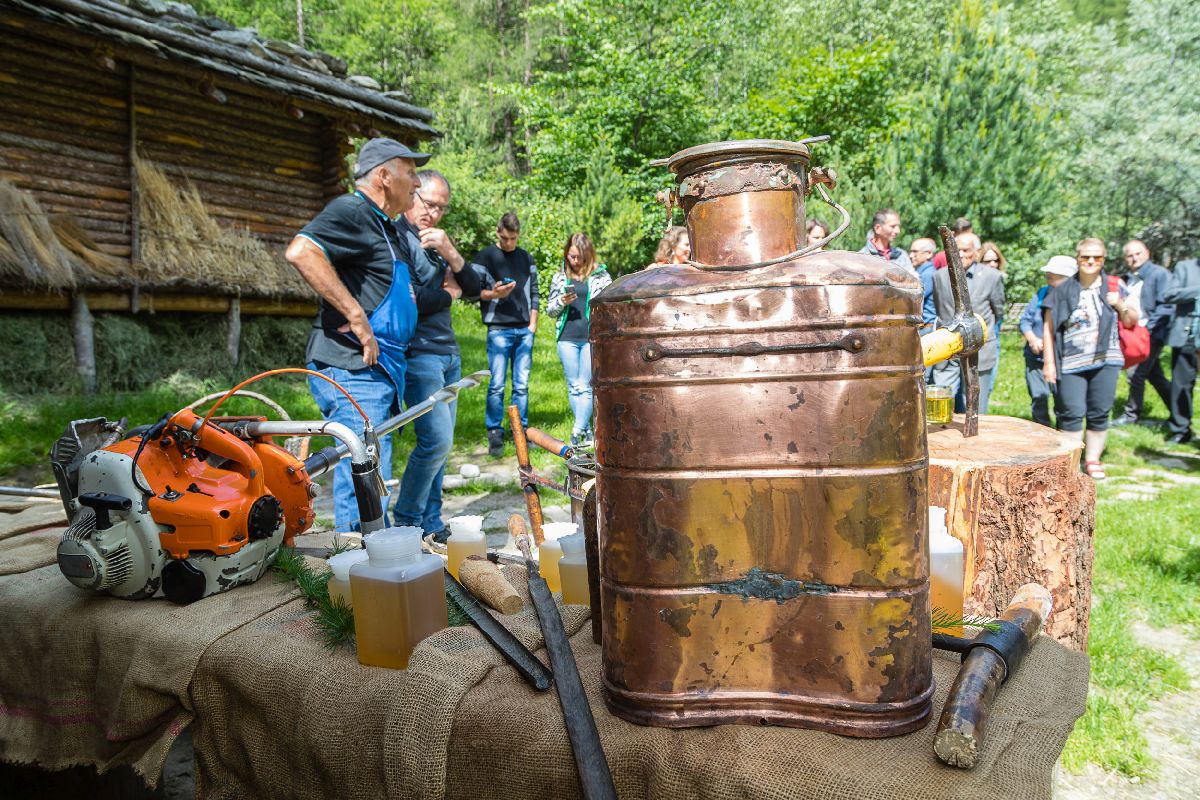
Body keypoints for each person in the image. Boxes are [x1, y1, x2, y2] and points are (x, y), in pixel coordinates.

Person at [286, 138, 452, 531]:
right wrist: (356, 316)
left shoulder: (387, 227)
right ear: (383, 176)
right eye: (410, 173)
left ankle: (378, 557)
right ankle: (358, 574)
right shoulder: (352, 210)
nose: (415, 184)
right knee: (362, 475)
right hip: (351, 368)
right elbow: (301, 251)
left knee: (374, 473)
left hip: (381, 371)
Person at [392, 169, 483, 540]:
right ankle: (408, 519)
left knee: (441, 447)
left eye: (441, 208)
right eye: (428, 203)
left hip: (448, 353)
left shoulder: (435, 240)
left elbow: (476, 287)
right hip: (419, 354)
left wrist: (450, 252)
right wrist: (450, 294)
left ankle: (431, 520)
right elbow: (413, 299)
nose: (433, 213)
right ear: (413, 195)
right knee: (436, 440)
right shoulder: (397, 237)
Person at [1041, 238, 1139, 479]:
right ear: (1078, 259)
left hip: (1107, 359)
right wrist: (1049, 362)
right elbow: (1048, 326)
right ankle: (1070, 461)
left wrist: (1121, 305)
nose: (1091, 261)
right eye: (1086, 257)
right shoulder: (1062, 289)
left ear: (1104, 260)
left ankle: (1093, 459)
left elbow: (1132, 320)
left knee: (1099, 411)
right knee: (1070, 412)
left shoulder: (1115, 286)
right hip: (1071, 362)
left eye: (1097, 257)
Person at [474, 212, 539, 457]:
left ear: (518, 235)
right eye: (504, 238)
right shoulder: (485, 257)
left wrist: (533, 324)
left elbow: (534, 291)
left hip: (524, 329)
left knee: (521, 385)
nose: (508, 243)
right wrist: (495, 294)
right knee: (497, 384)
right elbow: (472, 290)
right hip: (498, 328)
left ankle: (520, 430)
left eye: (513, 239)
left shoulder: (526, 258)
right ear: (497, 232)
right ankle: (495, 433)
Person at [546, 233, 613, 445]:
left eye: (579, 258)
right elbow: (550, 311)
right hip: (566, 338)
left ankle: (576, 432)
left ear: (588, 256)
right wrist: (561, 301)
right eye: (571, 256)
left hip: (589, 338)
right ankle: (585, 431)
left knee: (585, 385)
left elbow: (607, 306)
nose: (574, 261)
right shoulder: (559, 278)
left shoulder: (600, 276)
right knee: (573, 386)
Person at [930, 232, 1005, 413]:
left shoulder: (991, 277)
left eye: (965, 250)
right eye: (955, 249)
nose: (960, 254)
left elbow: (999, 310)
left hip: (979, 349)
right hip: (946, 350)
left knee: (975, 404)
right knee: (942, 400)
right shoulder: (939, 276)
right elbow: (941, 309)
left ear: (977, 252)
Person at [1113, 239, 1174, 426]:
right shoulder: (1126, 278)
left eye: (1138, 253)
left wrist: (1148, 331)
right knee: (1155, 376)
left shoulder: (1159, 274)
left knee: (1136, 373)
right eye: (1130, 255)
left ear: (1147, 253)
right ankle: (1180, 414)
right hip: (1132, 333)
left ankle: (1131, 416)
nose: (1134, 258)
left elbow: (1167, 305)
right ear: (1125, 258)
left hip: (1151, 332)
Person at [1020, 256, 1077, 427]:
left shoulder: (1076, 298)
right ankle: (1043, 437)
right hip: (1035, 359)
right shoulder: (1042, 293)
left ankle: (1064, 439)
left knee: (1064, 405)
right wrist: (1032, 339)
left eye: (1052, 276)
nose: (1048, 279)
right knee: (1039, 400)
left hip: (1064, 362)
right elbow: (1025, 321)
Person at [1161, 257, 1199, 443]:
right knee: (1181, 385)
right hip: (1187, 335)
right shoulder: (1185, 267)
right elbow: (1169, 294)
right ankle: (1181, 430)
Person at [907, 237, 939, 336]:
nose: (911, 255)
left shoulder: (927, 275)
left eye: (915, 252)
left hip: (926, 329)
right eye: (911, 251)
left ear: (929, 253)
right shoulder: (924, 273)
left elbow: (913, 300)